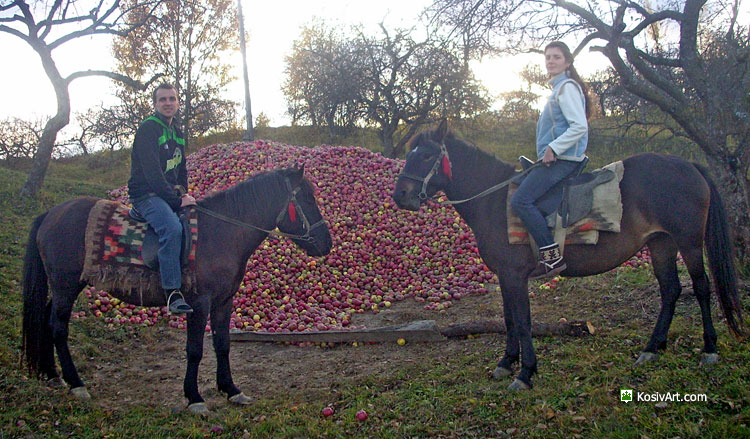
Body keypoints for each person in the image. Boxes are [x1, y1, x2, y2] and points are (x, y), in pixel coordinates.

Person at [510, 41, 591, 280]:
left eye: (556, 57)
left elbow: (579, 126)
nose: (551, 61)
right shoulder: (558, 90)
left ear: (567, 62)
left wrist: (553, 148)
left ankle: (551, 257)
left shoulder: (566, 88)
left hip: (564, 160)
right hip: (557, 158)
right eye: (548, 57)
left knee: (521, 200)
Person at [128, 83, 196, 314]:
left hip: (166, 193)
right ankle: (173, 292)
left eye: (172, 99)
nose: (168, 103)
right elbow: (152, 174)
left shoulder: (177, 132)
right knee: (172, 229)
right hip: (147, 193)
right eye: (162, 100)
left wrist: (183, 191)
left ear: (178, 103)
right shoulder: (149, 129)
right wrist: (175, 202)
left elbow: (181, 167)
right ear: (155, 104)